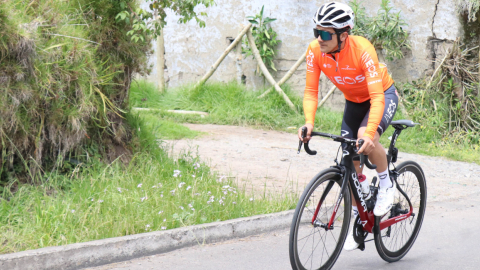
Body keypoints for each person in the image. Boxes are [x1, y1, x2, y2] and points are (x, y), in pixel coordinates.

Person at [297, 2, 399, 251]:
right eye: (316, 32)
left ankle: (386, 184)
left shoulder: (362, 50)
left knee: (365, 136)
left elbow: (377, 98)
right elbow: (311, 91)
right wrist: (309, 123)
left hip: (382, 96)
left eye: (325, 33)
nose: (318, 38)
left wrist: (370, 134)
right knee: (350, 162)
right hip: (353, 102)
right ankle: (358, 213)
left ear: (343, 35)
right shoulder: (315, 51)